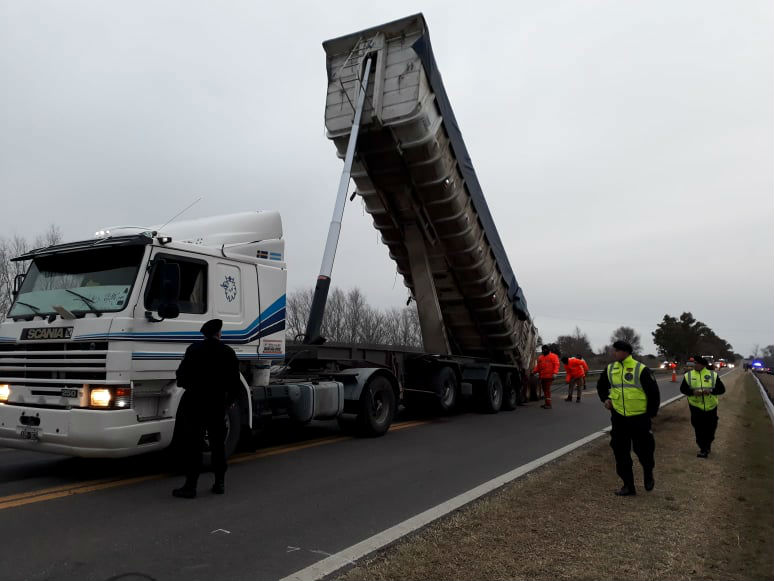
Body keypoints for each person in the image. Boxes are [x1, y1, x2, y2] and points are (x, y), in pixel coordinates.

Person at [172, 318, 241, 498]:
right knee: (218, 445)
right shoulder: (228, 352)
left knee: (194, 446)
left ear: (204, 334)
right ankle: (219, 483)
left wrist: (191, 386)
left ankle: (190, 486)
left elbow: (181, 377)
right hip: (217, 405)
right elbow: (234, 382)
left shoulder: (193, 350)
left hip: (195, 404)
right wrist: (228, 402)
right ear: (219, 333)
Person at [597, 340, 661, 496]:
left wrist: (650, 415)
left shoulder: (641, 369)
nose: (614, 353)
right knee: (620, 452)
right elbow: (601, 386)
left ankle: (648, 473)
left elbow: (654, 393)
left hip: (639, 419)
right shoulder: (610, 368)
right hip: (619, 418)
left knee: (644, 451)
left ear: (625, 352)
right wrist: (605, 399)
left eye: (616, 351)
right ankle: (628, 486)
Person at [680, 355, 726, 458]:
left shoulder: (713, 375)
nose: (695, 365)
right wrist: (693, 392)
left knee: (711, 429)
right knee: (699, 429)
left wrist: (711, 391)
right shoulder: (688, 375)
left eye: (697, 363)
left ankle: (707, 445)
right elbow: (683, 389)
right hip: (695, 406)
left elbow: (722, 390)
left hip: (711, 406)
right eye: (694, 363)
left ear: (703, 365)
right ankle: (703, 449)